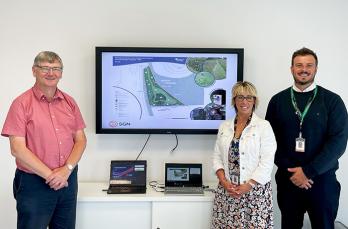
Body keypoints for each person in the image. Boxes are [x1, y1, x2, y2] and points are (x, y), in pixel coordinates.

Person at [1, 51, 87, 229]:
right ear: (34, 71)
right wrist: (51, 176)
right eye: (45, 68)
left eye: (56, 68)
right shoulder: (21, 103)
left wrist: (66, 170)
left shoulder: (69, 102)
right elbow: (17, 148)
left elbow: (81, 140)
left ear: (61, 73)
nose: (51, 73)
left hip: (67, 181)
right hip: (34, 183)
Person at [266, 47, 348, 229]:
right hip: (289, 180)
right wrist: (294, 172)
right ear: (291, 68)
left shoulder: (332, 101)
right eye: (299, 65)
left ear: (316, 69)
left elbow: (338, 142)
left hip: (322, 181)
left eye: (309, 65)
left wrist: (308, 171)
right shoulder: (277, 101)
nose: (304, 69)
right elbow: (269, 142)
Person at [211, 81, 277, 228]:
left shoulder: (263, 127)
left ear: (254, 101)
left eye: (249, 97)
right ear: (234, 100)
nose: (244, 101)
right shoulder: (224, 126)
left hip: (254, 193)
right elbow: (217, 157)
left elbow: (267, 162)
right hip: (227, 191)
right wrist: (224, 181)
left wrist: (249, 185)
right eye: (240, 97)